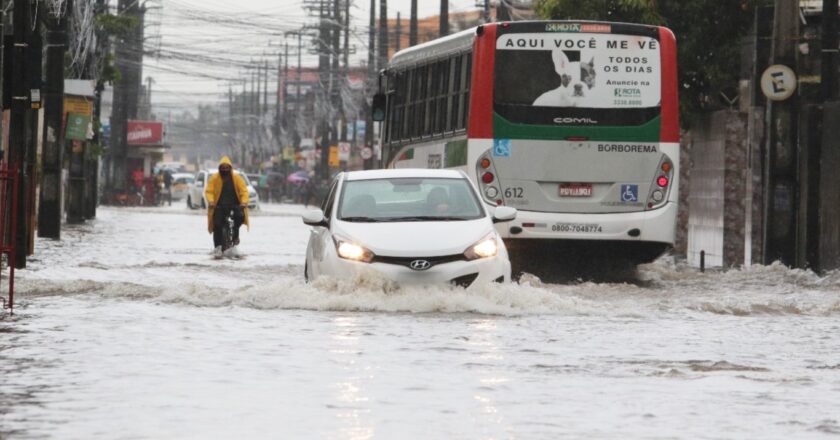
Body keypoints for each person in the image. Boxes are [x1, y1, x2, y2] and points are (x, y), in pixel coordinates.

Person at [204, 156, 250, 258]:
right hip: (219, 206)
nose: (225, 170)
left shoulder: (237, 178)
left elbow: (244, 191)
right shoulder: (214, 178)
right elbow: (209, 191)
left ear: (230, 168)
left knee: (239, 218)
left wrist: (243, 202)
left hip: (234, 206)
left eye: (227, 167)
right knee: (217, 225)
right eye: (223, 168)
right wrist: (211, 201)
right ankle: (217, 248)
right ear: (219, 168)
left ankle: (235, 238)